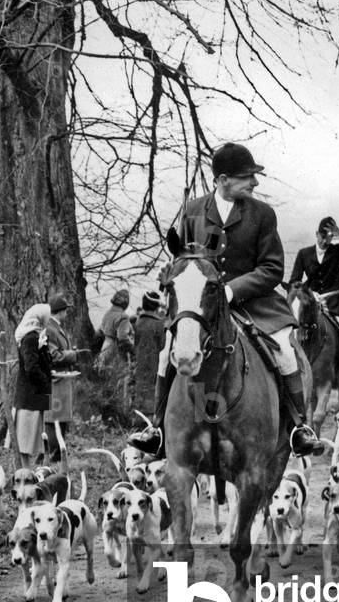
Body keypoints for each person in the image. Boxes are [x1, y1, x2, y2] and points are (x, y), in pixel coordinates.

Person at [129, 142, 321, 457]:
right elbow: (183, 259)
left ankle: (299, 426)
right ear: (223, 180)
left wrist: (231, 290)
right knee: (168, 352)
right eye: (248, 177)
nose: (255, 183)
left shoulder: (262, 214)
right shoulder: (193, 210)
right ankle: (157, 428)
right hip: (203, 305)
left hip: (255, 302)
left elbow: (272, 268)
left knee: (285, 349)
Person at [288, 216, 339, 383]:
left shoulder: (337, 250)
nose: (325, 241)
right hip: (311, 301)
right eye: (322, 236)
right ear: (317, 234)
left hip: (336, 302)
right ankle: (292, 367)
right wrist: (305, 292)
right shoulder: (304, 253)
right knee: (297, 327)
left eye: (330, 237)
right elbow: (294, 280)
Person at [44, 295, 88, 463]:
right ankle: (54, 455)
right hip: (56, 380)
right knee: (54, 418)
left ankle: (58, 453)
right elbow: (54, 356)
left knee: (60, 419)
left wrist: (71, 351)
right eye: (65, 310)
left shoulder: (55, 327)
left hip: (61, 381)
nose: (67, 313)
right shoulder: (50, 329)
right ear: (60, 312)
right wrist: (74, 354)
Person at [14, 303, 53, 468]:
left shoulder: (38, 336)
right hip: (29, 394)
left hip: (35, 393)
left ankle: (36, 466)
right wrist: (44, 379)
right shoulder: (30, 338)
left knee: (36, 434)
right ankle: (25, 468)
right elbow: (30, 367)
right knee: (26, 436)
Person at [95, 289, 135, 424]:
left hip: (104, 350)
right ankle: (119, 419)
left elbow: (100, 332)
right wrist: (133, 349)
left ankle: (106, 417)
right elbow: (123, 337)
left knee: (107, 384)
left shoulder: (107, 314)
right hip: (116, 352)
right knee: (120, 384)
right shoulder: (123, 317)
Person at [132, 290, 166, 418]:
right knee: (153, 389)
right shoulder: (159, 324)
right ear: (156, 307)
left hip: (139, 361)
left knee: (140, 387)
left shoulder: (138, 321)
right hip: (155, 362)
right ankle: (151, 419)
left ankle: (139, 417)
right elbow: (163, 345)